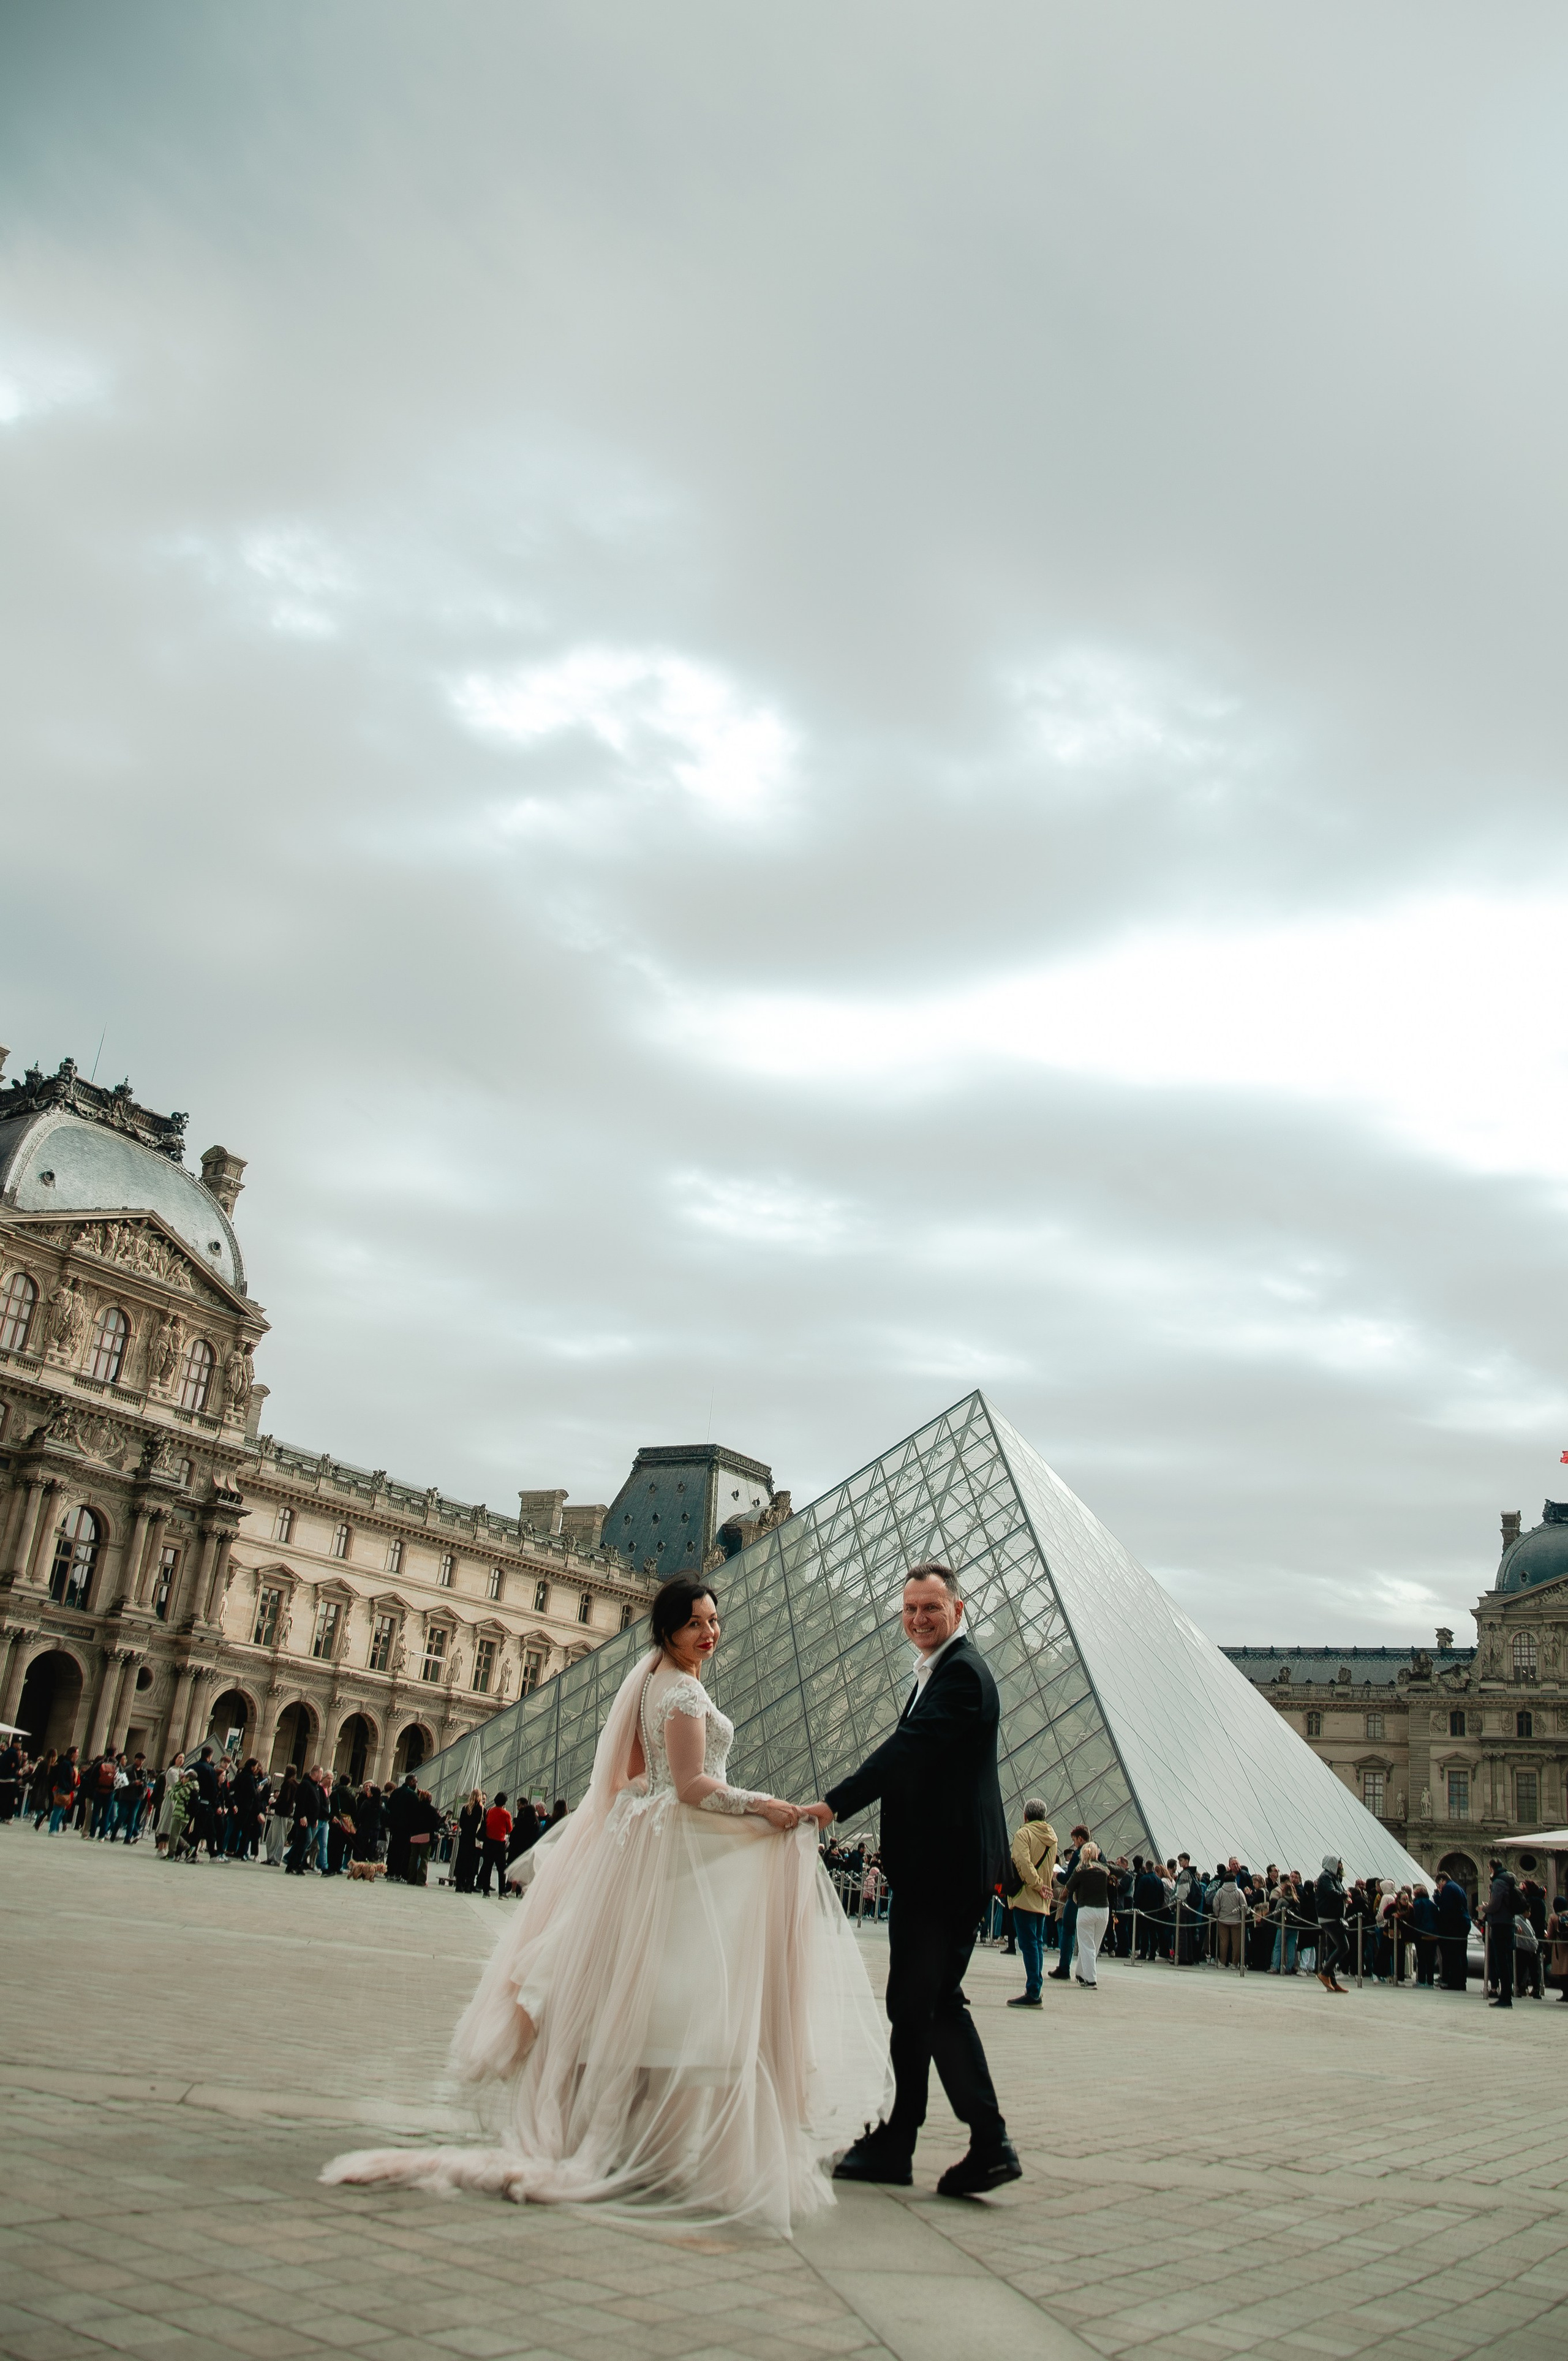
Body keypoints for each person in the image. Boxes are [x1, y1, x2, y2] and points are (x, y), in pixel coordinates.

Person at [323, 1572, 889, 2233]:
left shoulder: (650, 1680)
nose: (709, 1633)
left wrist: (655, 1807)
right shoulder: (680, 1689)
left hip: (642, 1848)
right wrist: (764, 1807)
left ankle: (616, 2130)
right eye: (695, 1624)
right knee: (672, 1996)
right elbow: (689, 1786)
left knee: (637, 1995)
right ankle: (635, 2139)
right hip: (672, 1851)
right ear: (667, 1630)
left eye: (714, 1620)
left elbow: (628, 1778)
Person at [812, 1562, 1018, 2200]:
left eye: (931, 1607)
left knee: (925, 2004)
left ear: (959, 1608)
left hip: (943, 1868)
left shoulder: (960, 1675)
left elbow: (908, 1750)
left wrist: (832, 1804)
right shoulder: (945, 1670)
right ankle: (921, 2140)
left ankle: (969, 2142)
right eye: (909, 1609)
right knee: (921, 2004)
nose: (919, 1619)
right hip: (940, 1865)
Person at [1005, 1801, 1057, 2009]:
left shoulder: (1023, 1834)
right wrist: (1043, 1886)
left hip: (1027, 1894)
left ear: (1025, 1815)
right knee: (1036, 1944)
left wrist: (1036, 1885)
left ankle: (1033, 1992)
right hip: (1043, 1897)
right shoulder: (1052, 1836)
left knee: (1028, 1945)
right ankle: (1035, 1988)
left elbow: (1022, 1862)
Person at [1066, 1843, 1111, 1986]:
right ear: (1097, 1854)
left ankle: (1091, 1980)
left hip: (1086, 1910)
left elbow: (1069, 1887)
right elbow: (1120, 1872)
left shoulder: (1080, 1870)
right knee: (1094, 1947)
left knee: (1087, 1946)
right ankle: (1080, 1974)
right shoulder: (1104, 1870)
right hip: (1104, 1910)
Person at [1484, 1861, 1518, 2008]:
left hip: (1500, 1924)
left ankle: (1505, 1998)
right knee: (1507, 1962)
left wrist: (1485, 1908)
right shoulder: (1509, 1881)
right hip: (1508, 1923)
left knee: (1501, 1963)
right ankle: (1507, 1995)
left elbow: (1495, 1905)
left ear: (1492, 1868)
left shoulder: (1499, 1882)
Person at [1314, 1856, 1349, 1994]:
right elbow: (1331, 1892)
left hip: (1332, 1917)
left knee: (1332, 1949)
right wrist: (1345, 1895)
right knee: (1344, 1946)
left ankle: (1332, 1982)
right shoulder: (1326, 1877)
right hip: (1330, 1918)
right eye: (1339, 1864)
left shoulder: (1332, 1877)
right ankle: (1325, 1973)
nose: (1341, 1866)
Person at [1434, 1872, 1471, 1991]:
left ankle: (1454, 1982)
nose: (1439, 1888)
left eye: (1438, 1885)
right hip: (1463, 1923)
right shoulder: (1457, 1887)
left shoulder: (1448, 1888)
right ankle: (1461, 1982)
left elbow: (1447, 1909)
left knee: (1453, 1955)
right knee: (1461, 1954)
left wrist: (1438, 1897)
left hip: (1454, 1926)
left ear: (1441, 1881)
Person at [383, 1773, 418, 1882]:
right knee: (403, 1851)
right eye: (416, 1782)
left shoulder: (396, 1792)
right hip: (406, 1827)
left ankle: (390, 1871)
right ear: (412, 1782)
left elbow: (389, 1807)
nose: (416, 1784)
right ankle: (399, 1873)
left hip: (395, 1826)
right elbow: (415, 1813)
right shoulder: (412, 1795)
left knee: (393, 1848)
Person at [478, 1793, 512, 1897]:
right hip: (499, 1843)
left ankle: (486, 1891)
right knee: (501, 1869)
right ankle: (502, 1892)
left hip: (488, 1842)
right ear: (505, 1803)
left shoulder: (490, 1811)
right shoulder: (506, 1814)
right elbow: (509, 1829)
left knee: (487, 1866)